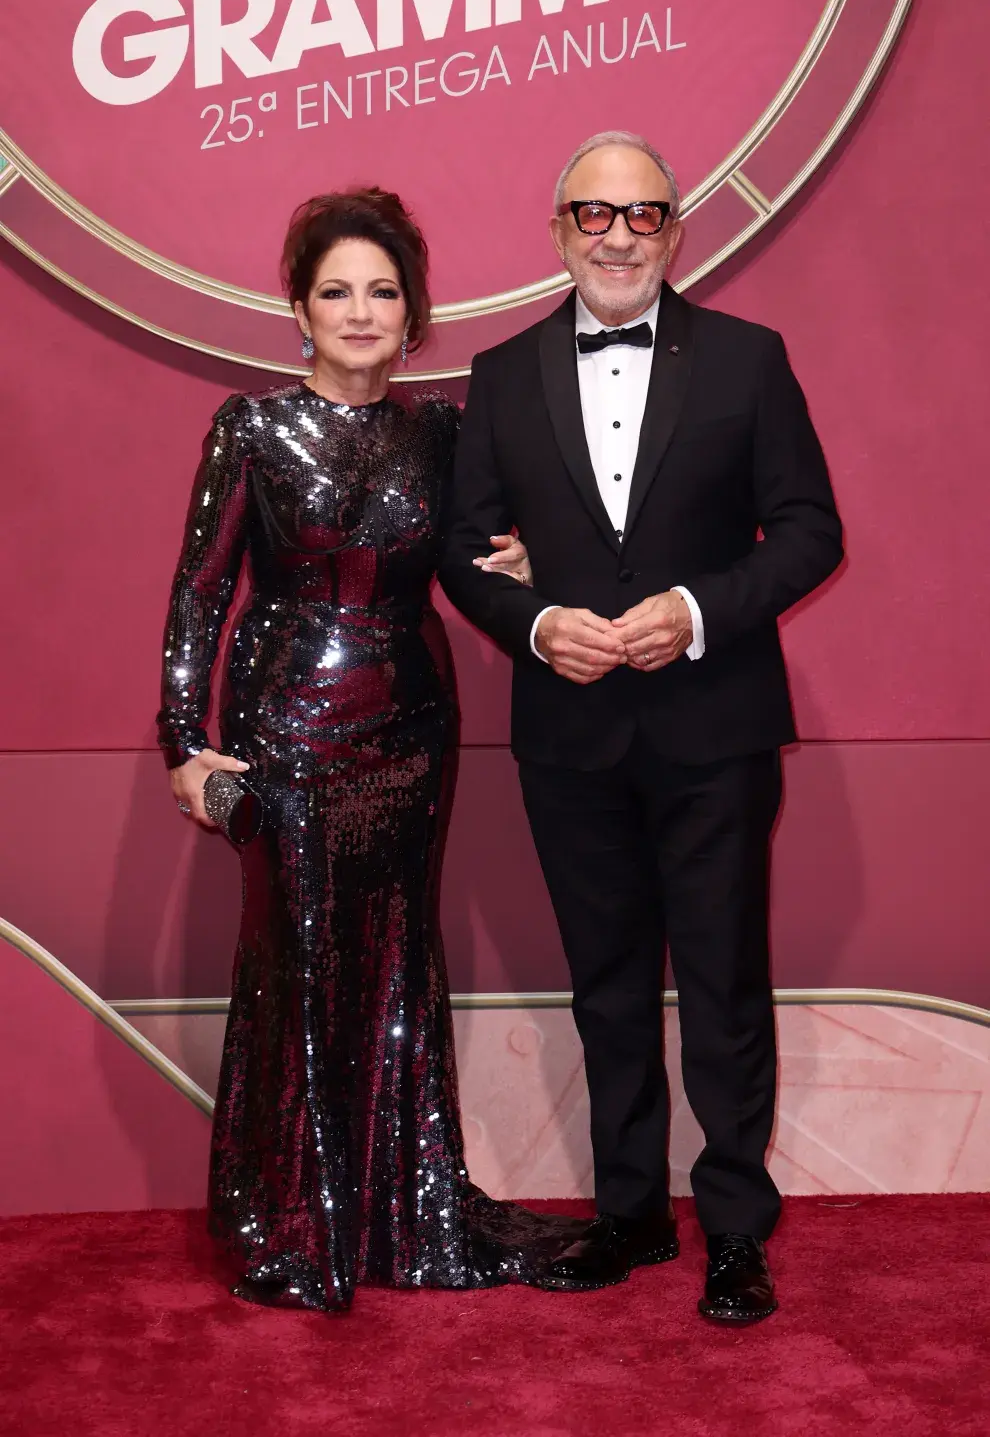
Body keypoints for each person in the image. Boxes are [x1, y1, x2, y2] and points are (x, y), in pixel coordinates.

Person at [440, 132, 844, 1323]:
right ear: (557, 227)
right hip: (569, 738)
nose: (618, 235)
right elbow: (468, 556)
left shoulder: (751, 361)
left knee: (723, 983)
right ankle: (628, 1214)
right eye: (594, 214)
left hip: (715, 728)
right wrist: (535, 622)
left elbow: (812, 531)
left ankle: (732, 1226)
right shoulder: (500, 373)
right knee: (605, 986)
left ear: (678, 230)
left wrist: (696, 610)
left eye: (645, 215)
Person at [158, 187, 578, 1312]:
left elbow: (471, 566)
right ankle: (295, 1224)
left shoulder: (443, 430)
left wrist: (525, 572)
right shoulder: (248, 428)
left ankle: (398, 1207)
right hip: (283, 731)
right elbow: (201, 595)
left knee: (395, 961)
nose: (359, 311)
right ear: (299, 307)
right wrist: (182, 745)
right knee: (299, 957)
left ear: (412, 314)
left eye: (381, 291)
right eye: (336, 291)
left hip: (412, 731)